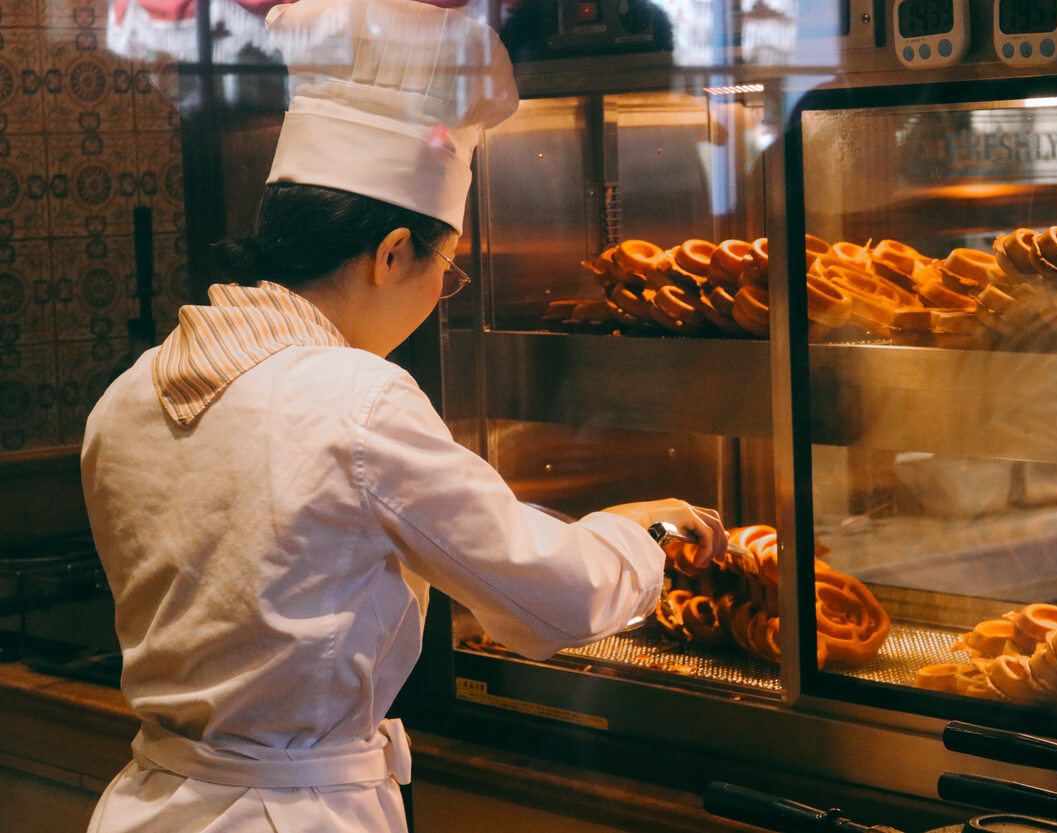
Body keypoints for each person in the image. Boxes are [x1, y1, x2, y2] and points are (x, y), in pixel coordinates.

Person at [80, 1, 726, 831]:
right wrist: (645, 533)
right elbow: (553, 599)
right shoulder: (356, 397)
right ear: (391, 253)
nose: (438, 293)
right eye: (444, 269)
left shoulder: (131, 391)